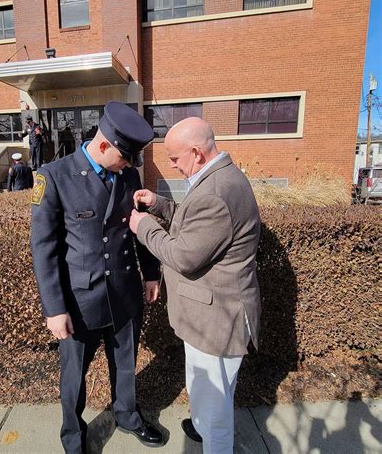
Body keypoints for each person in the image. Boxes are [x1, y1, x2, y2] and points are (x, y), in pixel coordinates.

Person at [30, 101, 164, 453]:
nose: (129, 166)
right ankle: (73, 437)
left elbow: (140, 227)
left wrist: (151, 274)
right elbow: (44, 249)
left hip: (124, 291)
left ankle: (127, 415)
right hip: (79, 300)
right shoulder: (53, 176)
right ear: (103, 145)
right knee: (74, 376)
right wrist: (54, 308)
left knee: (125, 361)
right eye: (124, 157)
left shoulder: (128, 176)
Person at [129, 117, 261, 454]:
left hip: (217, 318)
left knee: (215, 408)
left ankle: (212, 437)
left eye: (174, 158)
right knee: (204, 390)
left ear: (196, 153)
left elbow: (184, 255)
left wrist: (143, 226)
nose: (171, 166)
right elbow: (197, 225)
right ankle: (201, 424)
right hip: (212, 314)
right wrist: (159, 206)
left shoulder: (215, 191)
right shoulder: (218, 178)